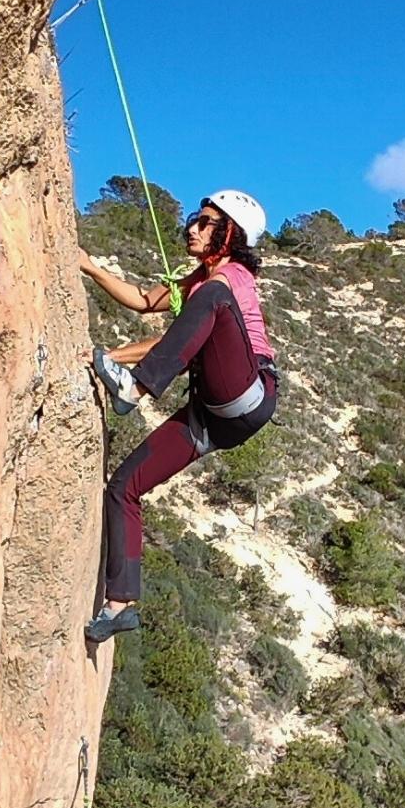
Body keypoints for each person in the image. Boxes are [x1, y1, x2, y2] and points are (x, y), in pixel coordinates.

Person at [78, 189, 278, 642]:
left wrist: (125, 370)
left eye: (206, 222)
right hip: (212, 414)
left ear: (230, 234)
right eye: (195, 218)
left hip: (248, 391)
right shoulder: (202, 287)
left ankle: (136, 388)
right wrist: (89, 266)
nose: (192, 227)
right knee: (124, 486)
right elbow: (146, 303)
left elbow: (185, 333)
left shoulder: (234, 278)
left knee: (212, 299)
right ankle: (118, 605)